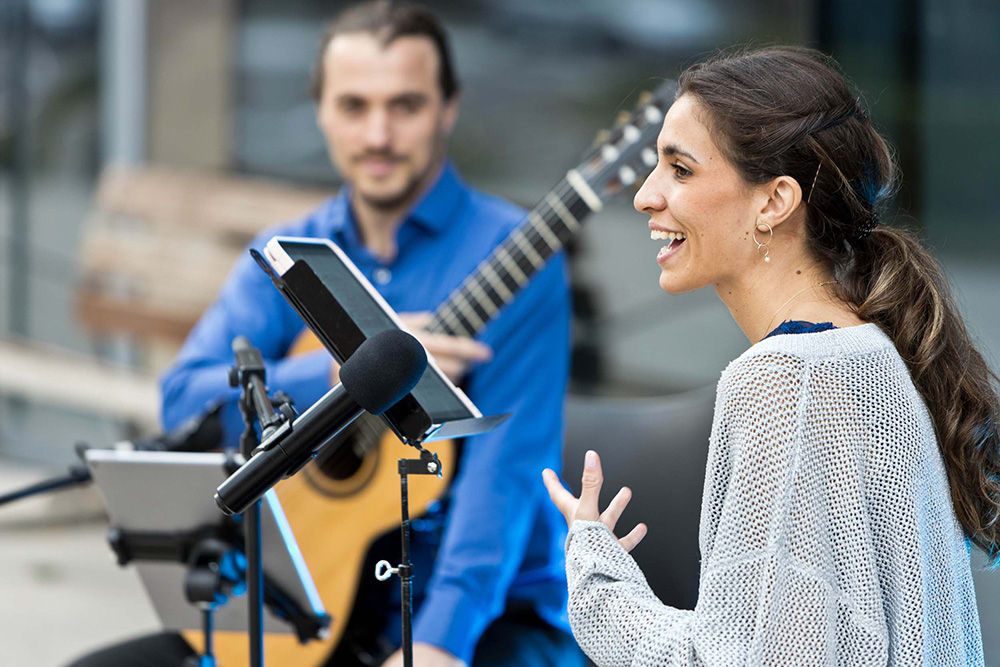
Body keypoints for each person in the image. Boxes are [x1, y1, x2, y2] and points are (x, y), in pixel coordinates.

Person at [69, 2, 584, 666]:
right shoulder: (288, 256)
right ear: (320, 112)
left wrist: (437, 638)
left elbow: (505, 474)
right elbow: (186, 402)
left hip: (483, 613)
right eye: (353, 106)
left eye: (405, 105)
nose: (377, 134)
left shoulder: (517, 258)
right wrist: (338, 377)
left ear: (448, 107)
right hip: (308, 589)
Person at [543, 45, 998, 666]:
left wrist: (595, 578)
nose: (646, 196)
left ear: (774, 201)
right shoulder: (867, 355)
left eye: (681, 170)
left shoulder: (785, 380)